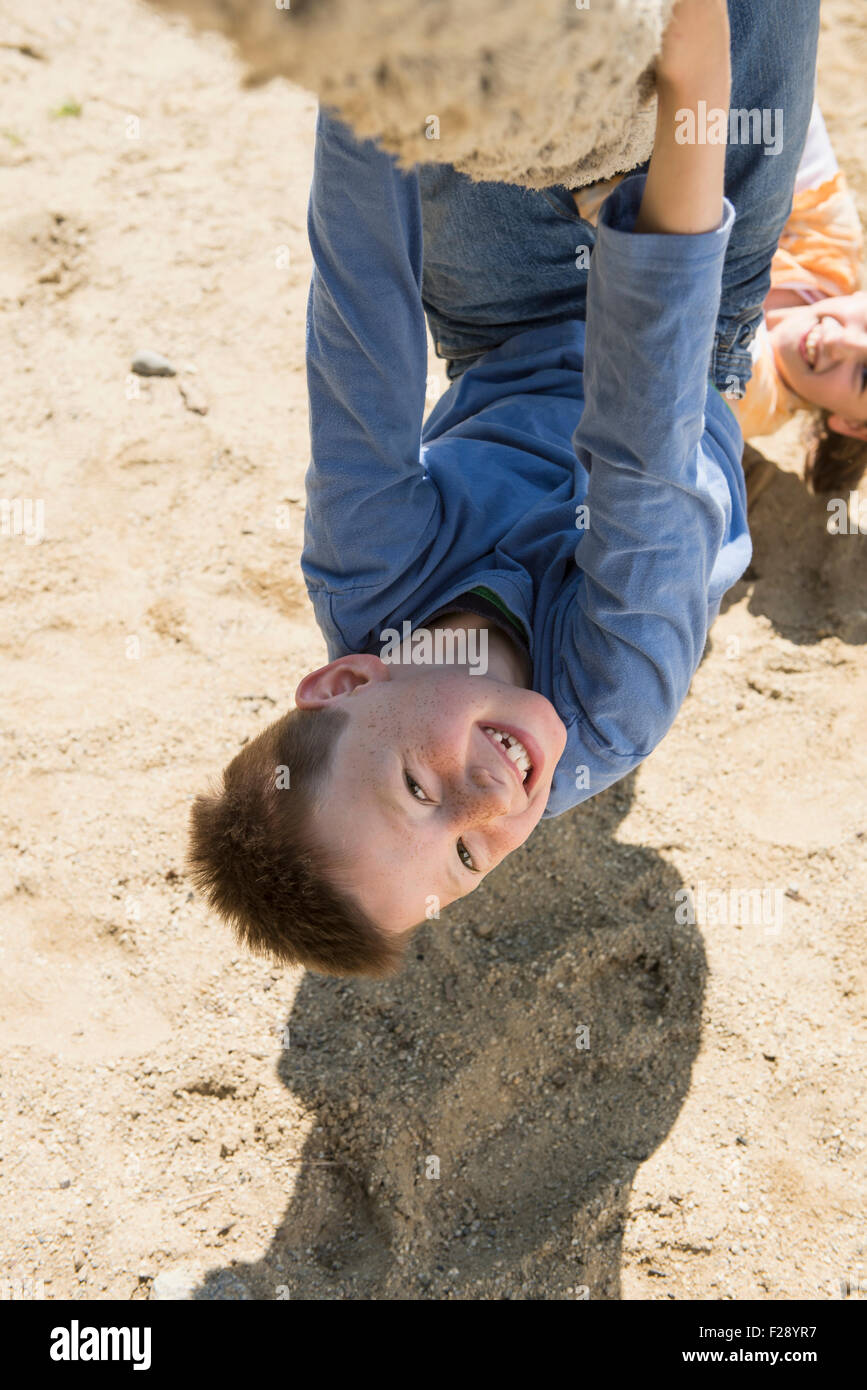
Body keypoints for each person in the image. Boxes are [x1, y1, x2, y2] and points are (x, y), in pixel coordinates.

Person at [187, 0, 820, 978]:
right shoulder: (613, 702)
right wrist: (691, 94)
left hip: (508, 320)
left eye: (415, 787)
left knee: (448, 60)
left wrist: (360, 58)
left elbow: (362, 318)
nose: (487, 802)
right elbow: (644, 438)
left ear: (348, 679)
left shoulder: (368, 577)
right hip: (697, 340)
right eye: (469, 856)